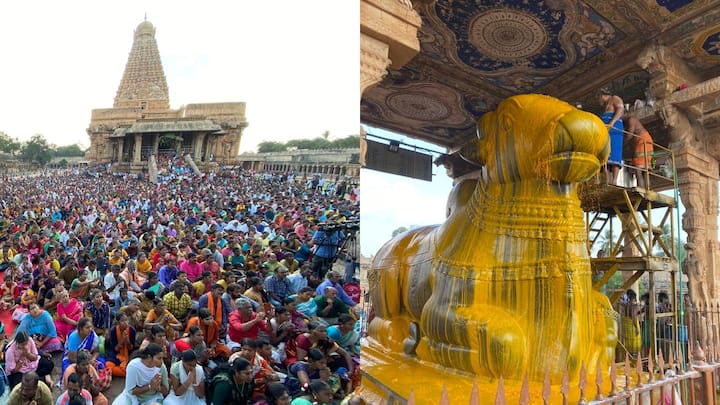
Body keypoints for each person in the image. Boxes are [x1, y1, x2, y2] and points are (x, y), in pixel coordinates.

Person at [597, 88, 625, 185]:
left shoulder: (615, 98)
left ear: (602, 95)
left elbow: (620, 109)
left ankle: (614, 181)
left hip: (614, 130)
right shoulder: (606, 106)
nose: (598, 100)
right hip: (606, 132)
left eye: (599, 98)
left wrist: (612, 123)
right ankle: (607, 180)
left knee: (615, 153)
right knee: (605, 154)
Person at [622, 115, 655, 189]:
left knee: (638, 167)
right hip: (645, 141)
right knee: (645, 168)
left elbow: (629, 135)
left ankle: (641, 188)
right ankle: (647, 188)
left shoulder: (632, 119)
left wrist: (620, 144)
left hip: (642, 141)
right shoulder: (630, 122)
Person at [106, 312, 137, 377]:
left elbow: (131, 348)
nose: (125, 322)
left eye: (126, 320)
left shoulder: (132, 330)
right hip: (116, 354)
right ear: (118, 323)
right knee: (108, 365)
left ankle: (116, 371)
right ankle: (116, 370)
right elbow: (115, 349)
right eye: (122, 321)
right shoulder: (113, 330)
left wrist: (127, 340)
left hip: (129, 354)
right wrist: (122, 340)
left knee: (130, 368)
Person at [621, 289, 642, 360]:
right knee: (635, 346)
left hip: (627, 326)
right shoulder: (634, 306)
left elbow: (628, 314)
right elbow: (633, 316)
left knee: (628, 345)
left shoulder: (626, 305)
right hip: (632, 326)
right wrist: (636, 327)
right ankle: (634, 361)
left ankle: (628, 360)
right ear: (635, 297)